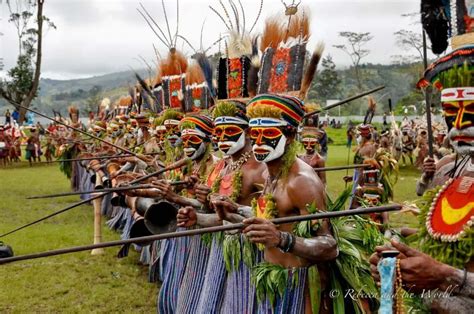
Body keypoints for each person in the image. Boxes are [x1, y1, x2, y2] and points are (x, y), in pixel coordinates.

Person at [371, 26, 474, 312]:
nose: (461, 123)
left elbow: (445, 272)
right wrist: (405, 263)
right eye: (452, 112)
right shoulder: (449, 168)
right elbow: (440, 255)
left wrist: (445, 276)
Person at [241, 94, 338, 313]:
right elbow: (277, 219)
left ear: (291, 135)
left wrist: (280, 239)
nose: (259, 142)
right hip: (272, 281)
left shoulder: (301, 182)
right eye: (254, 134)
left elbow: (330, 246)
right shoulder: (268, 172)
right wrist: (235, 212)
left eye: (269, 135)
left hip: (300, 288)